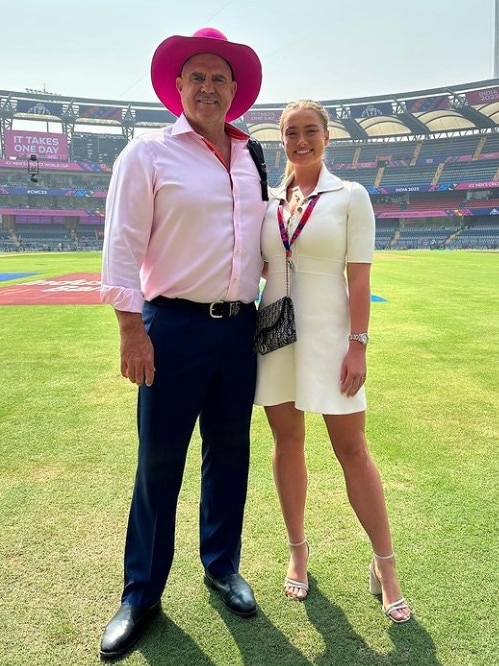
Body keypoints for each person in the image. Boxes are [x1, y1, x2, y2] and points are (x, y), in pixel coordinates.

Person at [99, 28, 267, 659]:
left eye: (219, 77)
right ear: (177, 87)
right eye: (196, 76)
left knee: (230, 454)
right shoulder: (147, 153)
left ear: (234, 91)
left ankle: (222, 566)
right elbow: (122, 243)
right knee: (159, 462)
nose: (207, 86)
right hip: (172, 325)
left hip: (238, 329)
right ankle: (140, 593)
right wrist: (129, 326)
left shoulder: (252, 157)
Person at [254, 100, 411, 623]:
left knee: (353, 449)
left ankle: (385, 566)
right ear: (282, 140)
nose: (301, 141)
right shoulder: (269, 197)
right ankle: (298, 551)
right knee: (287, 441)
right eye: (292, 133)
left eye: (310, 132)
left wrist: (359, 344)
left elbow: (360, 277)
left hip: (330, 337)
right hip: (276, 334)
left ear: (327, 137)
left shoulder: (351, 195)